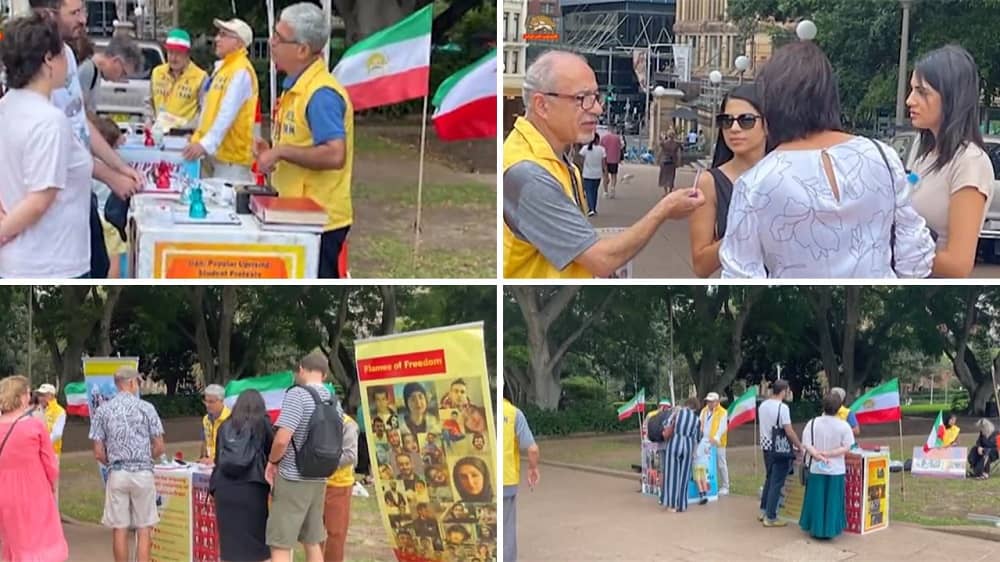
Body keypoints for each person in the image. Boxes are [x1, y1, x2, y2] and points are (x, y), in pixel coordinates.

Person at [719, 40, 935, 279]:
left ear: (771, 102)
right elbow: (915, 258)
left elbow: (740, 275)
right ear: (829, 95)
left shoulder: (754, 184)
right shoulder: (883, 157)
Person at [503, 50, 705, 278]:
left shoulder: (551, 157)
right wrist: (663, 210)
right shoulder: (529, 174)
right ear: (542, 105)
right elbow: (601, 260)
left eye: (596, 97)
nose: (598, 108)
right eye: (582, 98)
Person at [28, 0, 145, 279]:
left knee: (98, 268)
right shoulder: (36, 71)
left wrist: (119, 166)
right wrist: (111, 178)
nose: (84, 19)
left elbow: (80, 124)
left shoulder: (67, 55)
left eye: (84, 11)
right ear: (49, 14)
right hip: (53, 218)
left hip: (78, 203)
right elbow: (63, 142)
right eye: (75, 13)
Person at [258, 2, 354, 278]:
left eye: (278, 38)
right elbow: (299, 140)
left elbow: (335, 154)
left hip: (319, 221)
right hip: (294, 213)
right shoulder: (297, 87)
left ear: (302, 49)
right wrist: (272, 152)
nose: (272, 43)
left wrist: (282, 152)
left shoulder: (321, 94)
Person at [0, 12, 92, 278]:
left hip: (19, 261)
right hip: (52, 262)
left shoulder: (7, 107)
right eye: (64, 54)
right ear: (48, 60)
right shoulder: (49, 121)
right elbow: (40, 200)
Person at [907, 45, 996, 278]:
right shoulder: (922, 150)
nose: (909, 100)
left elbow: (958, 265)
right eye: (911, 90)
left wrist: (898, 252)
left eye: (921, 92)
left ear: (951, 97)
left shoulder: (970, 162)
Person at [266, 350, 339, 562]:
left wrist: (272, 462)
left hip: (293, 477)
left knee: (280, 542)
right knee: (312, 540)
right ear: (325, 375)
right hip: (320, 476)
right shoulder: (334, 400)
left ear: (300, 370)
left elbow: (282, 439)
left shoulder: (297, 395)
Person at [688, 85, 768, 277]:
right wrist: (739, 232)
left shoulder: (786, 175)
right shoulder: (710, 182)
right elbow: (701, 265)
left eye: (746, 120)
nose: (734, 128)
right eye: (727, 121)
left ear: (767, 124)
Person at [88, 366, 166, 562]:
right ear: (131, 382)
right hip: (143, 473)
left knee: (119, 528)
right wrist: (147, 458)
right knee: (144, 528)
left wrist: (113, 463)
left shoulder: (103, 410)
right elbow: (159, 446)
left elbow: (98, 452)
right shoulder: (147, 408)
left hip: (118, 473)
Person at [0, 375, 69, 562]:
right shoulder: (35, 425)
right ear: (22, 397)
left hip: (4, 493)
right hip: (34, 490)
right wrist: (52, 486)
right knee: (40, 542)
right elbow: (50, 465)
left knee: (13, 541)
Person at [183, 18, 259, 182]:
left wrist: (204, 144)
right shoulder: (224, 69)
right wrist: (199, 137)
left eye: (223, 35)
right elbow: (209, 110)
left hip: (232, 162)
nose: (217, 39)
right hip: (218, 157)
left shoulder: (241, 71)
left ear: (238, 42)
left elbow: (227, 113)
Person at [210, 389, 274, 562]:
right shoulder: (263, 423)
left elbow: (218, 459)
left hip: (224, 490)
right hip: (252, 488)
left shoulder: (224, 426)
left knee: (230, 546)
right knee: (258, 545)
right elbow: (273, 453)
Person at [799, 392, 856, 540]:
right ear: (839, 408)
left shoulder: (812, 423)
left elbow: (806, 443)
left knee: (816, 498)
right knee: (833, 500)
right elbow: (847, 446)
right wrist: (830, 454)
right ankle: (830, 530)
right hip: (836, 468)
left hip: (816, 467)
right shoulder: (844, 426)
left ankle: (815, 528)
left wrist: (817, 455)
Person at [758, 380, 802, 527]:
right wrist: (799, 445)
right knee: (777, 482)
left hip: (766, 446)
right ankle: (771, 516)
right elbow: (788, 430)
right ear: (783, 391)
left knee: (769, 478)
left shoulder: (763, 405)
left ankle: (763, 509)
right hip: (779, 448)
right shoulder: (782, 408)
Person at [90, 115, 129, 278]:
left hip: (95, 216)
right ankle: (112, 283)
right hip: (111, 218)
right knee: (114, 258)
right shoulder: (116, 165)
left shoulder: (89, 164)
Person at [503, 392, 539, 562]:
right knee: (506, 530)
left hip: (477, 479)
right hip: (505, 480)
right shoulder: (513, 413)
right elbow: (532, 449)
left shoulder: (477, 411)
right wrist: (533, 468)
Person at [148, 28, 208, 129]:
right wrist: (149, 120)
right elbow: (149, 102)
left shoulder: (201, 77)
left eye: (178, 53)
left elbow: (205, 110)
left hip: (185, 135)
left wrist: (190, 129)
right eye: (170, 52)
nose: (173, 58)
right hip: (158, 133)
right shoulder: (157, 72)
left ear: (187, 54)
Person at [323, 400, 359, 562]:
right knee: (314, 532)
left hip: (339, 485)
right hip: (317, 483)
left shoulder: (348, 425)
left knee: (335, 533)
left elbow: (350, 456)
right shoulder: (318, 422)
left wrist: (322, 463)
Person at [77, 35, 142, 115]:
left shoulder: (94, 72)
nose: (121, 79)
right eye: (123, 73)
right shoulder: (89, 70)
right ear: (116, 61)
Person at [661, 397, 702, 513]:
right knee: (684, 477)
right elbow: (698, 437)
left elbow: (666, 424)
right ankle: (681, 505)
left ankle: (672, 504)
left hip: (674, 443)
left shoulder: (677, 412)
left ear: (687, 404)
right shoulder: (697, 420)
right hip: (688, 446)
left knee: (672, 475)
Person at [699, 392, 729, 495]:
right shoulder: (704, 411)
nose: (709, 403)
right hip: (704, 442)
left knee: (721, 464)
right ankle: (711, 485)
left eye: (711, 402)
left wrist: (715, 438)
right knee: (706, 464)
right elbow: (700, 424)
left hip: (718, 443)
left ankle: (725, 486)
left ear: (717, 402)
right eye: (708, 401)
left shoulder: (723, 412)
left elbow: (722, 428)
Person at [200, 383, 231, 463]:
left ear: (221, 401)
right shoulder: (206, 419)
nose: (207, 405)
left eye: (211, 402)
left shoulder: (231, 419)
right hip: (208, 465)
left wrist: (215, 461)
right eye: (206, 401)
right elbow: (205, 442)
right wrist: (203, 457)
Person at [578, 133, 606, 216]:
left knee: (589, 191)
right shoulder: (601, 149)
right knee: (595, 191)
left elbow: (580, 159)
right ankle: (593, 207)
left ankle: (591, 208)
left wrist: (584, 165)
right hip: (598, 174)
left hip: (587, 173)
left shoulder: (585, 149)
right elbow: (604, 163)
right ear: (597, 140)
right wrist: (605, 173)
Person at [599, 127, 622, 198]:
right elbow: (620, 148)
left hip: (605, 160)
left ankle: (605, 192)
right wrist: (619, 158)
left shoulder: (603, 138)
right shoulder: (617, 138)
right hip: (614, 159)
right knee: (614, 175)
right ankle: (612, 188)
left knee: (605, 176)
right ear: (614, 130)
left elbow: (600, 148)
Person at [691, 436, 711, 505]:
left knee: (698, 480)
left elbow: (693, 453)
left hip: (696, 463)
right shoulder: (706, 440)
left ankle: (702, 496)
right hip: (704, 463)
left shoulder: (694, 440)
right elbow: (707, 451)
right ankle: (706, 495)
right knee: (704, 479)